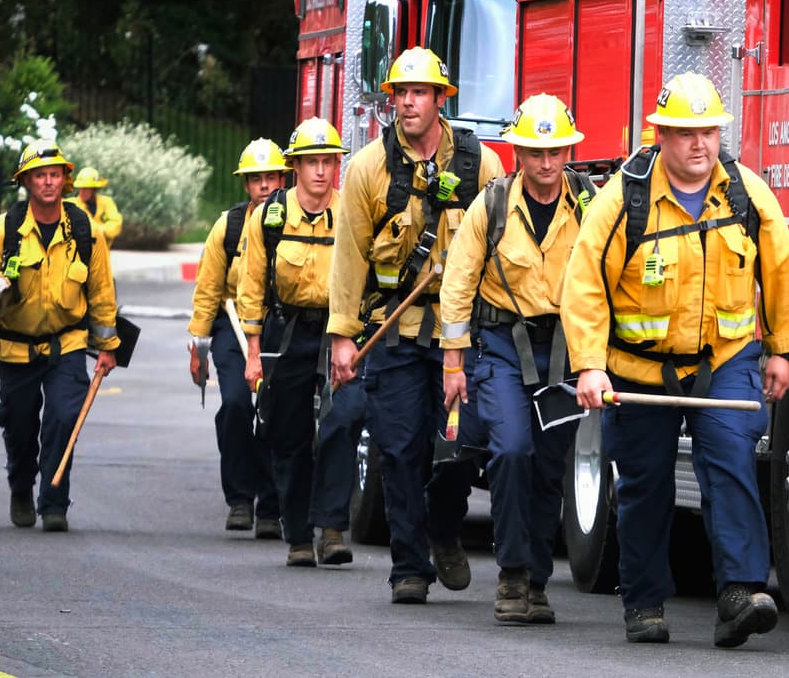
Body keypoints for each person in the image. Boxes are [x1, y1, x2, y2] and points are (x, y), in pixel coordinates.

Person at [561, 72, 789, 648]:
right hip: (639, 369)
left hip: (726, 360)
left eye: (709, 132)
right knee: (646, 486)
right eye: (687, 133)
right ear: (662, 135)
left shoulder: (747, 194)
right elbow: (585, 283)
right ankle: (644, 603)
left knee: (731, 464)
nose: (700, 144)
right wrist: (590, 364)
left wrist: (782, 349)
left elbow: (781, 271)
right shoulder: (626, 196)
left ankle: (739, 595)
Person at [328, 46, 504, 604]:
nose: (405, 102)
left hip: (463, 337)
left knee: (464, 446)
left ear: (440, 99)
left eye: (418, 93)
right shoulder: (366, 169)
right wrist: (341, 333)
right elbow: (349, 256)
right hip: (395, 333)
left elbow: (503, 248)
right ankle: (409, 564)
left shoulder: (484, 165)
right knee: (400, 449)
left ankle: (443, 526)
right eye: (399, 93)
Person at [439, 94, 594, 624]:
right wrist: (453, 365)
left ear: (569, 150)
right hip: (501, 347)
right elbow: (458, 283)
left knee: (550, 467)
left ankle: (537, 581)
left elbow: (604, 280)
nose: (546, 163)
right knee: (510, 451)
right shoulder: (493, 205)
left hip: (565, 351)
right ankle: (510, 574)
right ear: (518, 153)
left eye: (554, 152)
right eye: (534, 152)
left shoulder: (591, 206)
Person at [0, 140, 120, 533]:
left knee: (63, 417)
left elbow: (102, 292)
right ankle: (21, 486)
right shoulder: (6, 231)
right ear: (27, 182)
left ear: (65, 180)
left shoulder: (86, 231)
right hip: (16, 348)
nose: (49, 182)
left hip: (67, 344)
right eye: (40, 175)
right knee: (19, 427)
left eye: (55, 174)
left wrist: (106, 346)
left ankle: (54, 502)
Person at [238, 117, 355, 568]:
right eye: (312, 163)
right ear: (296, 168)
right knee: (288, 434)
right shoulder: (269, 217)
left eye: (328, 161)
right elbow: (250, 288)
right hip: (285, 333)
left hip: (336, 332)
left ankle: (331, 527)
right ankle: (298, 535)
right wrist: (253, 352)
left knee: (342, 421)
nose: (322, 171)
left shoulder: (349, 215)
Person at [187, 139, 289, 538]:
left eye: (271, 177)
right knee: (235, 406)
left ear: (283, 178)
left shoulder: (298, 222)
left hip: (281, 328)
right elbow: (207, 289)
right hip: (232, 328)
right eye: (255, 179)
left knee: (275, 413)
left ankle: (270, 505)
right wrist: (198, 348)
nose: (264, 185)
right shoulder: (227, 227)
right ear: (246, 185)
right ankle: (240, 499)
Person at [66, 167, 123, 248]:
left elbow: (115, 225)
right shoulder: (71, 204)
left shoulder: (106, 202)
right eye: (80, 188)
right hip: (78, 256)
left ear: (94, 189)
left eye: (86, 188)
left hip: (102, 254)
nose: (82, 191)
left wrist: (97, 230)